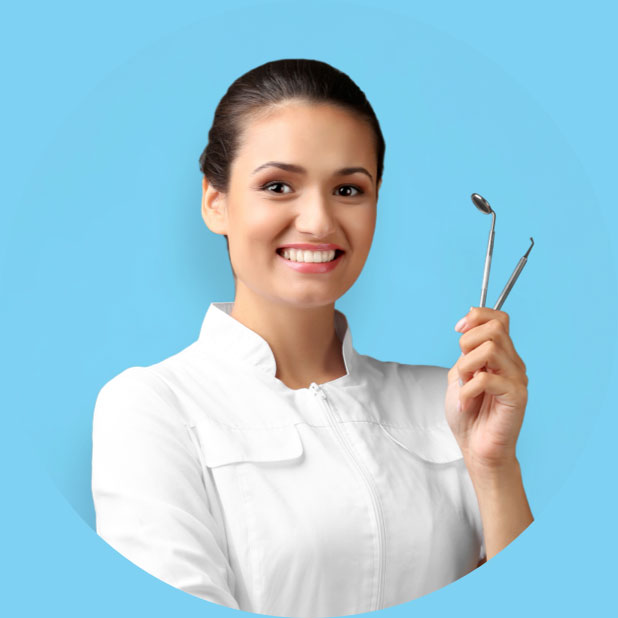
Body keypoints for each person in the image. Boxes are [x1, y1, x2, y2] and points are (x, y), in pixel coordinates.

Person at [91, 58, 533, 617]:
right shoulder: (152, 408)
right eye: (278, 185)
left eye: (349, 189)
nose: (320, 222)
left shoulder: (445, 404)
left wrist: (494, 466)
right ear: (215, 201)